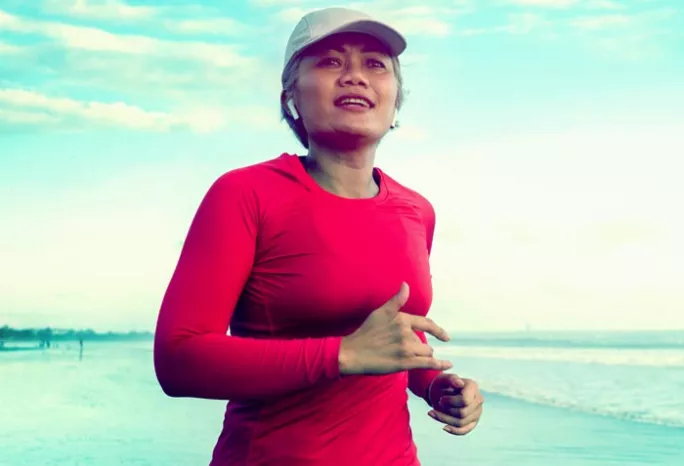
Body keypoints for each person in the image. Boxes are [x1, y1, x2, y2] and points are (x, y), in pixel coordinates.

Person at [153, 7, 484, 466]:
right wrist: (341, 355)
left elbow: (391, 337)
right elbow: (178, 360)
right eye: (329, 62)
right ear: (292, 96)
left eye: (375, 64)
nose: (355, 77)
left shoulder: (417, 210)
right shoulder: (245, 194)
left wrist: (433, 384)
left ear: (395, 100)